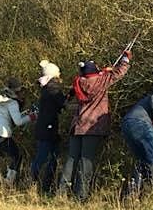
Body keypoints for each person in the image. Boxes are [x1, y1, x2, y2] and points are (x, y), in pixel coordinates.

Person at [56, 49, 132, 201]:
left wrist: (103, 71)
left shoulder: (79, 82)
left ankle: (61, 193)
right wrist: (126, 58)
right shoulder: (101, 81)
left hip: (77, 126)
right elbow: (119, 73)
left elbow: (95, 77)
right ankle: (81, 195)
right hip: (92, 128)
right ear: (94, 71)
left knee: (71, 159)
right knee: (86, 161)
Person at [29, 59, 67, 194]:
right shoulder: (54, 88)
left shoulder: (46, 88)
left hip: (43, 127)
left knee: (45, 157)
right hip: (49, 129)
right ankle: (40, 185)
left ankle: (38, 185)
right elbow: (63, 104)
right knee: (47, 157)